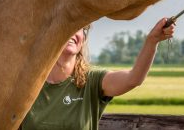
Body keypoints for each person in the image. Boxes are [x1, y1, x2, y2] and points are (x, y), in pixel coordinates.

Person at [20, 18, 175, 130]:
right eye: (65, 27)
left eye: (79, 27)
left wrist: (152, 41)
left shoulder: (92, 80)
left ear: (84, 38)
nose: (72, 33)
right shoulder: (27, 86)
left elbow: (133, 79)